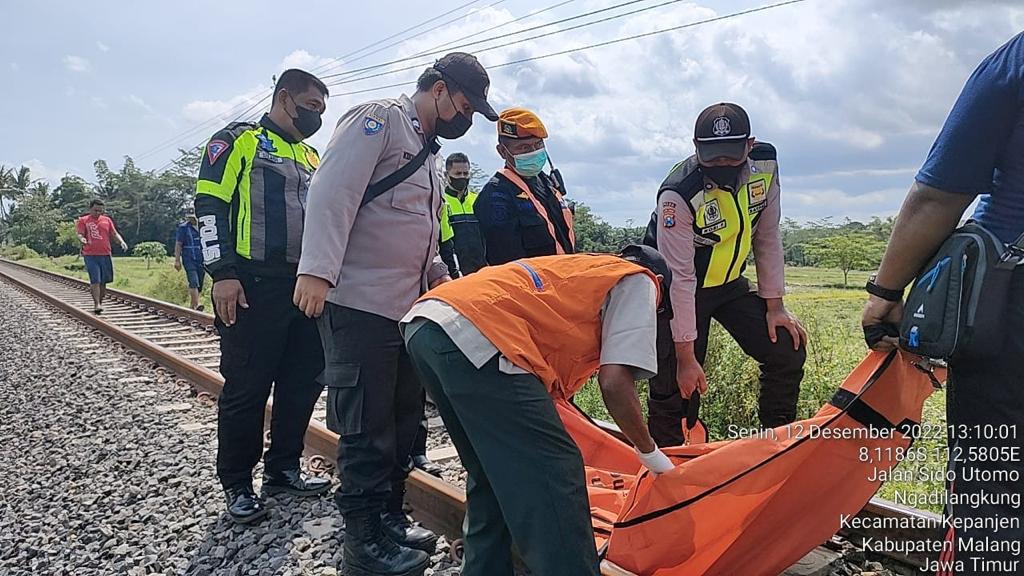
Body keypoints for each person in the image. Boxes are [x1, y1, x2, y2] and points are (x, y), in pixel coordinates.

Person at [292, 52, 498, 576]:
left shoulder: (427, 153)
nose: (466, 119)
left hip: (405, 310)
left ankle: (387, 518)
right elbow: (332, 192)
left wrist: (438, 274)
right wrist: (315, 269)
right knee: (366, 426)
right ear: (439, 90)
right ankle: (362, 544)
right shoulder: (379, 120)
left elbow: (418, 232)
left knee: (403, 420)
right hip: (358, 302)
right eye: (465, 107)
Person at [402, 245, 676, 576]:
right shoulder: (640, 280)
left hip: (427, 324)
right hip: (478, 333)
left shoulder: (582, 271)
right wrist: (651, 456)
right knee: (556, 470)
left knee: (491, 472)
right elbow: (615, 383)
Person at [861, 33, 1024, 576]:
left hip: (1010, 308)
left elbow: (938, 196)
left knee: (994, 490)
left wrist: (885, 296)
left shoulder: (1013, 63)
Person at [194, 68, 331, 525]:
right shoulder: (237, 141)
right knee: (248, 387)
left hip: (304, 285)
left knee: (302, 382)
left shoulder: (312, 156)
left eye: (322, 110)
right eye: (311, 106)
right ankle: (237, 483)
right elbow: (209, 207)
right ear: (285, 98)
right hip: (252, 285)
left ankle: (283, 470)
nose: (316, 116)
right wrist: (222, 273)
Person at [643, 102, 807, 447]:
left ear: (749, 145)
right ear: (696, 147)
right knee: (677, 386)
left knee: (786, 348)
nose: (721, 165)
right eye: (711, 157)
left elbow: (767, 235)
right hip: (675, 290)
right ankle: (670, 464)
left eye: (730, 157)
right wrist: (685, 357)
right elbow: (680, 278)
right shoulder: (678, 193)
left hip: (730, 285)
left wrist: (775, 306)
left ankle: (775, 443)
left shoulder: (765, 166)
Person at [475, 107, 575, 265]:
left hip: (565, 274)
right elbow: (506, 262)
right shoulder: (496, 196)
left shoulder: (548, 184)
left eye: (538, 145)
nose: (533, 152)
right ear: (502, 152)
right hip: (532, 279)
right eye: (524, 148)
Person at [438, 152, 486, 277]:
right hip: (455, 272)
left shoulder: (478, 200)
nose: (463, 177)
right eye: (458, 174)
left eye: (466, 173)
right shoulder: (440, 201)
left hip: (483, 271)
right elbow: (442, 243)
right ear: (446, 175)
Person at [75, 198, 127, 314]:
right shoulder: (84, 220)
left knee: (103, 281)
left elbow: (114, 233)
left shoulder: (106, 220)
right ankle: (96, 304)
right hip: (90, 255)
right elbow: (80, 234)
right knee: (95, 280)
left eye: (100, 211)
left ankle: (100, 302)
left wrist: (121, 242)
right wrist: (82, 239)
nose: (98, 213)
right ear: (90, 209)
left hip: (105, 254)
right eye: (95, 210)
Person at [174, 208, 205, 311]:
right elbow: (178, 244)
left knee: (200, 283)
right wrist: (177, 260)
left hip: (201, 259)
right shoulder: (183, 228)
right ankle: (196, 305)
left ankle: (192, 306)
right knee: (193, 281)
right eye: (189, 217)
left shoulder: (203, 226)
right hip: (189, 258)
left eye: (193, 217)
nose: (192, 219)